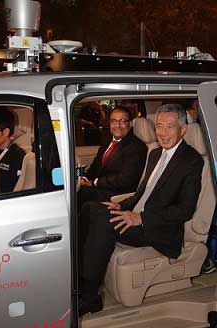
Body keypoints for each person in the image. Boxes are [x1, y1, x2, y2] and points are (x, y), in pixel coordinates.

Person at [78, 103, 204, 316]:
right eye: (159, 126)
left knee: (102, 219)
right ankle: (78, 277)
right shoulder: (155, 154)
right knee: (91, 208)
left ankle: (89, 297)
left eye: (170, 127)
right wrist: (122, 205)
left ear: (182, 130)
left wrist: (141, 218)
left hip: (159, 227)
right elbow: (142, 193)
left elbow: (185, 210)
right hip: (138, 214)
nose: (162, 133)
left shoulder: (191, 161)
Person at [77, 106, 147, 207]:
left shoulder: (136, 147)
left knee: (79, 195)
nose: (117, 125)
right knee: (76, 190)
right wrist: (84, 178)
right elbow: (96, 164)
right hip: (103, 188)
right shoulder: (107, 140)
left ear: (130, 124)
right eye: (113, 121)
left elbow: (125, 180)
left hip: (118, 193)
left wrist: (94, 182)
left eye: (122, 121)